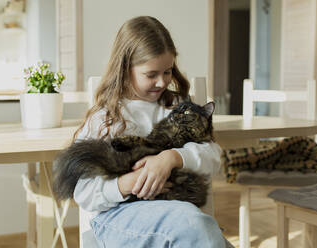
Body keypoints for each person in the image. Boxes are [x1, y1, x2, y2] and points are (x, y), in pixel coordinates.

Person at [73, 16, 226, 247]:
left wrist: (171, 158)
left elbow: (214, 156)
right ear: (125, 68)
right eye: (151, 74)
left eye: (167, 72)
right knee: (194, 226)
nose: (162, 82)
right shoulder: (105, 119)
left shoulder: (176, 108)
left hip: (177, 213)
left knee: (197, 228)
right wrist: (128, 183)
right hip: (118, 218)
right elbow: (83, 192)